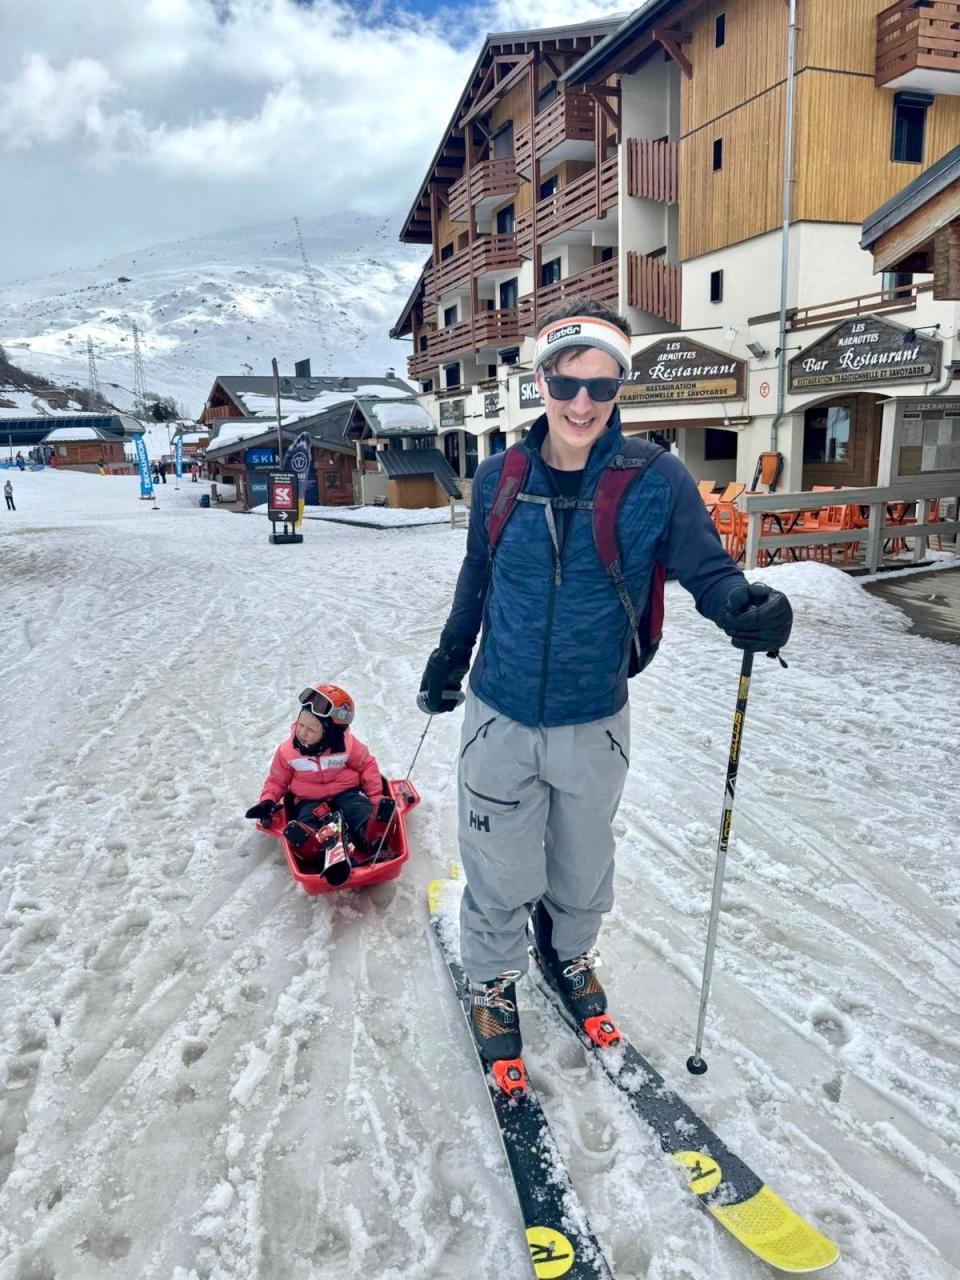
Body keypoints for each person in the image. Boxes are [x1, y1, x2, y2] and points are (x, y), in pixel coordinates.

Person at [418, 297, 793, 1081]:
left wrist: (744, 610)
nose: (582, 403)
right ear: (541, 383)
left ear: (621, 389)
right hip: (500, 710)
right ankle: (493, 977)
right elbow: (477, 580)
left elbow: (707, 568)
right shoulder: (498, 479)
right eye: (566, 384)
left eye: (602, 385)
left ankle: (568, 953)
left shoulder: (654, 480)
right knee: (498, 865)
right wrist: (448, 661)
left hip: (595, 715)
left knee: (583, 866)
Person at [244, 684, 391, 877]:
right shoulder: (287, 751)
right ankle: (315, 847)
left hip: (346, 793)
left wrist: (375, 799)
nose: (302, 733)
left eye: (311, 730)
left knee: (359, 809)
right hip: (308, 801)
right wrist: (267, 801)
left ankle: (372, 833)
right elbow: (277, 780)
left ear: (329, 733)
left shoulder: (347, 745)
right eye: (301, 725)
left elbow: (367, 766)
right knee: (306, 819)